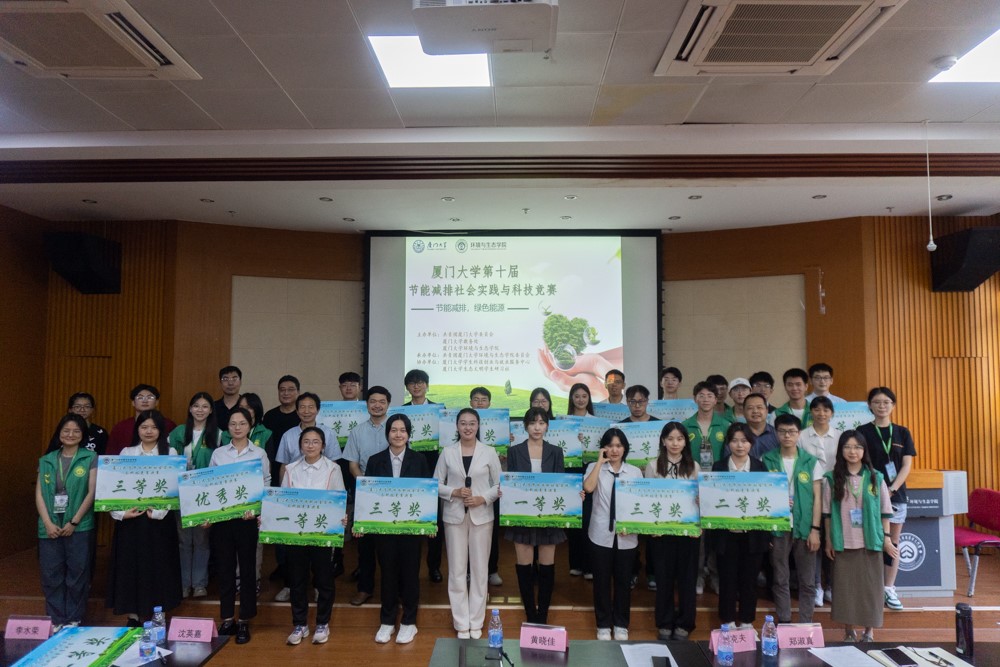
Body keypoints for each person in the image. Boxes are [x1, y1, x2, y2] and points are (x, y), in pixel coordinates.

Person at [106, 410, 182, 626]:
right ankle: (133, 615)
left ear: (161, 430)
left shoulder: (170, 452)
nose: (149, 431)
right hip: (131, 521)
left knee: (160, 566)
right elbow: (113, 486)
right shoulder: (127, 452)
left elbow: (175, 487)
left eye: (154, 427)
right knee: (130, 566)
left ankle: (159, 614)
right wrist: (121, 514)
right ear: (137, 429)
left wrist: (158, 512)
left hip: (160, 522)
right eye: (144, 427)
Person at [823, 430, 897, 642]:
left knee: (870, 590)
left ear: (864, 451)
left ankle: (869, 631)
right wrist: (829, 539)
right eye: (847, 447)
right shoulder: (832, 478)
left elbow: (885, 512)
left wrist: (886, 538)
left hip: (870, 543)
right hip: (843, 542)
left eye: (857, 447)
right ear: (841, 450)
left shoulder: (876, 477)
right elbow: (827, 514)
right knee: (846, 591)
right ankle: (849, 630)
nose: (852, 451)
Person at [434, 408, 501, 639]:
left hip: (482, 516)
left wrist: (483, 498)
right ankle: (461, 622)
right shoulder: (447, 452)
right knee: (457, 570)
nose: (468, 427)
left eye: (472, 423)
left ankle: (476, 621)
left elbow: (500, 484)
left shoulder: (489, 452)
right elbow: (435, 483)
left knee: (480, 570)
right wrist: (454, 492)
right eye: (463, 423)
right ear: (456, 426)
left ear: (478, 426)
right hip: (454, 516)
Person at [366, 414, 431, 645]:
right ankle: (387, 620)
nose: (398, 434)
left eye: (403, 430)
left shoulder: (419, 459)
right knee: (388, 573)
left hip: (411, 528)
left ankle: (409, 622)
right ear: (387, 434)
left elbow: (427, 492)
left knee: (410, 573)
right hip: (385, 529)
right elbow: (368, 494)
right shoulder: (375, 460)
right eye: (394, 430)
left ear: (409, 434)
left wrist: (429, 524)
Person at [210, 407, 271, 645]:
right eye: (233, 423)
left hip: (247, 520)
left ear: (250, 426)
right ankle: (227, 618)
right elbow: (211, 485)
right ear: (227, 427)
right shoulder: (219, 453)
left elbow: (266, 482)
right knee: (224, 569)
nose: (237, 427)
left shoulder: (259, 453)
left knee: (247, 570)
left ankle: (245, 619)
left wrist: (256, 510)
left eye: (242, 423)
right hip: (223, 520)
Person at [281, 427, 345, 646]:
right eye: (306, 441)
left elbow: (339, 498)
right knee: (297, 580)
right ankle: (300, 624)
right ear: (300, 445)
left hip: (322, 533)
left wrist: (341, 518)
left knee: (324, 580)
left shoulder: (333, 469)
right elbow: (282, 500)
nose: (310, 445)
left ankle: (322, 623)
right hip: (296, 534)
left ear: (323, 446)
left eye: (315, 442)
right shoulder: (290, 469)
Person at [856, 387, 915, 612]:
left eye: (886, 402)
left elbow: (907, 465)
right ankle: (871, 588)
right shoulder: (861, 431)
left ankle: (889, 587)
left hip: (895, 495)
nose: (882, 406)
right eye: (877, 402)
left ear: (893, 405)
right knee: (868, 540)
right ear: (869, 405)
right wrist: (877, 489)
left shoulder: (902, 432)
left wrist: (891, 489)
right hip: (868, 493)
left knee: (893, 542)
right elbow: (858, 462)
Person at [36, 414, 97, 631]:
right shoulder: (46, 460)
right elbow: (39, 494)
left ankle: (73, 618)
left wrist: (74, 521)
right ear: (59, 433)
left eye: (76, 431)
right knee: (51, 574)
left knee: (77, 574)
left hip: (79, 526)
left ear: (83, 435)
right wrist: (47, 522)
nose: (71, 435)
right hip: (49, 526)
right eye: (66, 431)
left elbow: (92, 492)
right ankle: (55, 619)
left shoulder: (90, 457)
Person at [505, 407, 566, 623]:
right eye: (532, 423)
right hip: (523, 516)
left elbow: (561, 484)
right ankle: (530, 615)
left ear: (547, 426)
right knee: (524, 567)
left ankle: (543, 616)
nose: (537, 427)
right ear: (525, 426)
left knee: (547, 567)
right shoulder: (514, 451)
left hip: (549, 518)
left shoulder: (556, 451)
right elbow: (511, 482)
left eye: (541, 423)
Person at [763, 414, 822, 624]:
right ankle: (785, 621)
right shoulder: (766, 459)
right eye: (782, 431)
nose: (787, 436)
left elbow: (817, 498)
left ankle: (806, 623)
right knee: (780, 578)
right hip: (777, 526)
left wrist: (815, 529)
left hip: (805, 527)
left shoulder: (810, 461)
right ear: (776, 433)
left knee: (807, 580)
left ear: (799, 434)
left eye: (791, 432)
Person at [585, 428, 641, 640]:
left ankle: (621, 624)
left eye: (618, 445)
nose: (614, 450)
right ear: (603, 448)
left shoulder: (634, 472)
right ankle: (602, 624)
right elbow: (588, 488)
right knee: (601, 581)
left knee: (623, 581)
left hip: (627, 535)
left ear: (625, 448)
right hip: (600, 533)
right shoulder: (594, 467)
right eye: (610, 446)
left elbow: (639, 502)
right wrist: (599, 462)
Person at [712, 422, 769, 633]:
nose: (739, 445)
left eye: (744, 441)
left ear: (751, 443)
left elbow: (766, 498)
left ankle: (746, 622)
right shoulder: (719, 467)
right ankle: (726, 621)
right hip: (726, 535)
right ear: (728, 443)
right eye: (735, 441)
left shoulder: (760, 467)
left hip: (752, 535)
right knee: (727, 579)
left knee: (749, 580)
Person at [644, 422, 699, 641]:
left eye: (679, 439)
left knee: (687, 579)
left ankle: (685, 622)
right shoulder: (653, 466)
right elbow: (648, 499)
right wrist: (652, 528)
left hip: (688, 533)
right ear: (663, 441)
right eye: (670, 439)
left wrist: (697, 527)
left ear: (685, 442)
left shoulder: (694, 466)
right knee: (664, 578)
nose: (675, 443)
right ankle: (665, 622)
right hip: (662, 533)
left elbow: (698, 501)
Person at [168, 392, 220, 599]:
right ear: (190, 409)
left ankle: (199, 583)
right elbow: (169, 459)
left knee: (201, 540)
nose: (200, 410)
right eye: (196, 406)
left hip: (205, 494)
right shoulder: (179, 432)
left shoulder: (218, 434)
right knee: (183, 540)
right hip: (181, 493)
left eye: (205, 406)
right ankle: (183, 583)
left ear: (211, 410)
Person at [343, 386, 392, 606]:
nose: (377, 405)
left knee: (390, 544)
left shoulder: (397, 428)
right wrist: (365, 485)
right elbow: (352, 464)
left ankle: (392, 589)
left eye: (382, 401)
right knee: (365, 545)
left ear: (388, 404)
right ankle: (365, 588)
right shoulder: (357, 431)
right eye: (373, 401)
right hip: (365, 493)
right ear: (367, 404)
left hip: (392, 494)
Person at [799, 395, 842, 607]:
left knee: (833, 539)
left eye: (826, 410)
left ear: (832, 413)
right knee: (814, 540)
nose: (821, 414)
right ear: (811, 412)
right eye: (817, 409)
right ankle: (817, 585)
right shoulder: (801, 436)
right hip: (811, 495)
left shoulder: (840, 436)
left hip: (836, 495)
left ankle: (832, 585)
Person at [404, 368, 443, 583]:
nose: (416, 386)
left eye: (420, 382)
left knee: (434, 522)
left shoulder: (439, 410)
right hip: (408, 472)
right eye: (412, 383)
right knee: (411, 518)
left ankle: (434, 567)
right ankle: (409, 567)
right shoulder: (401, 412)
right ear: (407, 387)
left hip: (434, 470)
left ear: (427, 385)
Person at [467, 387, 503, 587]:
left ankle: (492, 570)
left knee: (491, 531)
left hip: (490, 488)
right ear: (470, 402)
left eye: (483, 400)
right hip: (466, 488)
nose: (479, 403)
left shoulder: (499, 423)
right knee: (466, 534)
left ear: (489, 403)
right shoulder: (464, 425)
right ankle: (468, 571)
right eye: (476, 399)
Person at [565, 382, 594, 578]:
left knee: (589, 518)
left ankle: (589, 565)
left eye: (584, 396)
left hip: (590, 469)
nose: (580, 400)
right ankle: (575, 563)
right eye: (577, 396)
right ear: (571, 399)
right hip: (569, 469)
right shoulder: (563, 421)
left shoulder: (596, 422)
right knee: (573, 517)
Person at [106, 384, 176, 456]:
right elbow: (111, 456)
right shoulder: (120, 427)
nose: (145, 401)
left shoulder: (169, 425)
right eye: (140, 397)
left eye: (150, 397)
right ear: (133, 402)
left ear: (157, 402)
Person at [263, 375, 302, 484]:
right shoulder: (270, 416)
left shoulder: (302, 416)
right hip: (273, 466)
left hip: (298, 467)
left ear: (298, 392)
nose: (286, 393)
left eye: (291, 389)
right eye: (282, 390)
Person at [743, 393, 779, 459]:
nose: (755, 411)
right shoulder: (736, 435)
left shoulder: (777, 434)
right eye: (750, 408)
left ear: (767, 411)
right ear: (744, 412)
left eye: (759, 407)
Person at [215, 365, 243, 431]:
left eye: (234, 379)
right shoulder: (213, 407)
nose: (230, 383)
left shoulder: (248, 406)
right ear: (220, 383)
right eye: (225, 379)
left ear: (240, 382)